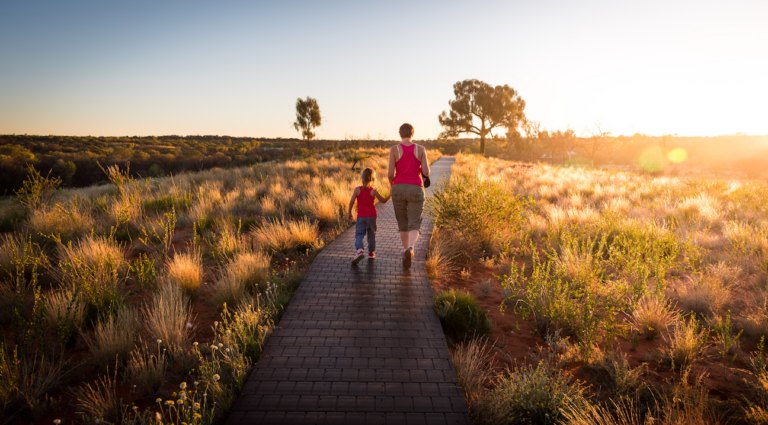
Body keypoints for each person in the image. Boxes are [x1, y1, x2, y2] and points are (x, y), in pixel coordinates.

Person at [388, 123, 430, 268]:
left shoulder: (394, 149)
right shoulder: (420, 149)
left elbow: (389, 174)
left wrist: (392, 186)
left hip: (398, 187)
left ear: (400, 134)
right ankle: (411, 249)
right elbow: (426, 172)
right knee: (415, 222)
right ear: (412, 134)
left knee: (402, 222)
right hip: (416, 188)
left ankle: (405, 249)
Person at [347, 168, 391, 264]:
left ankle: (360, 251)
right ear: (373, 179)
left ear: (362, 177)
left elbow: (351, 202)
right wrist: (390, 195)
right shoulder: (373, 191)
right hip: (372, 216)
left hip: (361, 216)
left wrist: (349, 212)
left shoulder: (357, 189)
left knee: (359, 234)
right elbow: (383, 200)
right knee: (371, 234)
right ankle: (371, 253)